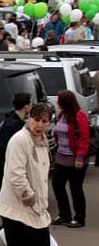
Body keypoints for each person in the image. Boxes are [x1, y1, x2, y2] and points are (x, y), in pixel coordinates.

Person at [0, 103, 61, 246]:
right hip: (17, 208)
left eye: (44, 121)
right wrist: (30, 198)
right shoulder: (19, 140)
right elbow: (16, 175)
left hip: (37, 210)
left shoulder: (42, 140)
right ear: (29, 117)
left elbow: (42, 173)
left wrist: (40, 203)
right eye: (36, 119)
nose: (39, 124)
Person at [51, 90, 90, 229]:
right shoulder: (62, 115)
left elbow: (84, 138)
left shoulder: (80, 116)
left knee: (76, 188)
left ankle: (79, 217)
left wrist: (80, 157)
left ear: (66, 102)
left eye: (59, 100)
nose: (57, 103)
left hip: (76, 159)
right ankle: (64, 214)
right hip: (61, 156)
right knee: (57, 184)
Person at [0, 93, 32, 162]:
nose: (31, 107)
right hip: (13, 161)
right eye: (30, 105)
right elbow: (3, 146)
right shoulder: (11, 124)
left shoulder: (18, 121)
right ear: (26, 107)